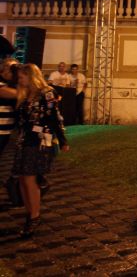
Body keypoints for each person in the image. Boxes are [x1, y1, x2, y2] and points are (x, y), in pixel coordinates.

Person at [12, 64, 69, 238]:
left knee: (29, 179)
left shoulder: (47, 92)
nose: (19, 80)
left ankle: (34, 216)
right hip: (24, 140)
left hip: (39, 142)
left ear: (31, 76)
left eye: (22, 77)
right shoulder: (25, 94)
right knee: (22, 178)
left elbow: (55, 118)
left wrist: (63, 140)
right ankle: (30, 213)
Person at [0, 58, 20, 156]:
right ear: (5, 68)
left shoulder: (13, 83)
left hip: (6, 129)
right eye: (13, 69)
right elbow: (5, 92)